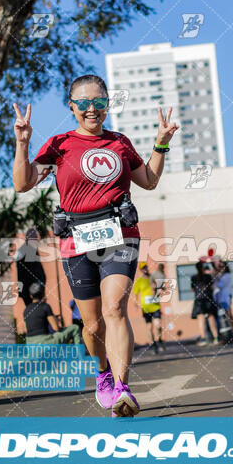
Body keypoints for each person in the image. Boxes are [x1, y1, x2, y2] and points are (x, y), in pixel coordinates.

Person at [12, 74, 178, 417]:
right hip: (76, 239)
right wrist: (23, 142)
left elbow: (147, 180)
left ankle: (122, 388)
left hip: (120, 233)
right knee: (91, 326)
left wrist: (161, 143)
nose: (92, 109)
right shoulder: (60, 144)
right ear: (72, 107)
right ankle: (103, 372)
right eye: (84, 103)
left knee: (115, 308)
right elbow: (23, 183)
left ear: (107, 105)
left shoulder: (119, 142)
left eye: (99, 102)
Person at [133, 262, 164, 354]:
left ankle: (160, 339)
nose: (145, 269)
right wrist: (135, 305)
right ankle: (154, 345)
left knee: (158, 325)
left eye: (146, 267)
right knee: (149, 327)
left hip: (155, 306)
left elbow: (162, 287)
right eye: (143, 268)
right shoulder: (139, 281)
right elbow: (135, 295)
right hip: (145, 308)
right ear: (141, 270)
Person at [191, 262, 218, 346]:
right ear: (203, 268)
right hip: (208, 299)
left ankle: (203, 340)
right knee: (211, 318)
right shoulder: (208, 276)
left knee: (201, 320)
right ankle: (216, 338)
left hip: (199, 300)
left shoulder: (193, 277)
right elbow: (212, 287)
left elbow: (192, 289)